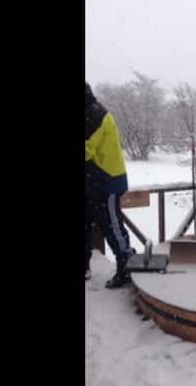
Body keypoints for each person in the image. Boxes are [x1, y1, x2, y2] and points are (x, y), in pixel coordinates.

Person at [85, 81, 135, 288]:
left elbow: (87, 150)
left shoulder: (94, 115)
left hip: (108, 180)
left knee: (112, 226)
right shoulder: (92, 111)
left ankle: (126, 265)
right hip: (97, 180)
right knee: (99, 224)